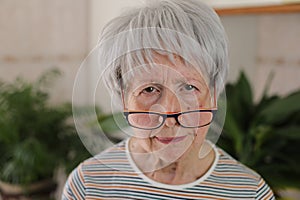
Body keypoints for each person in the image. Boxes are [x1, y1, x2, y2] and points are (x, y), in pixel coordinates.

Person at [63, 0, 275, 199]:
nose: (169, 114)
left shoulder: (251, 193)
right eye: (149, 89)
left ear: (213, 95)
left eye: (189, 87)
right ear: (123, 99)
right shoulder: (87, 186)